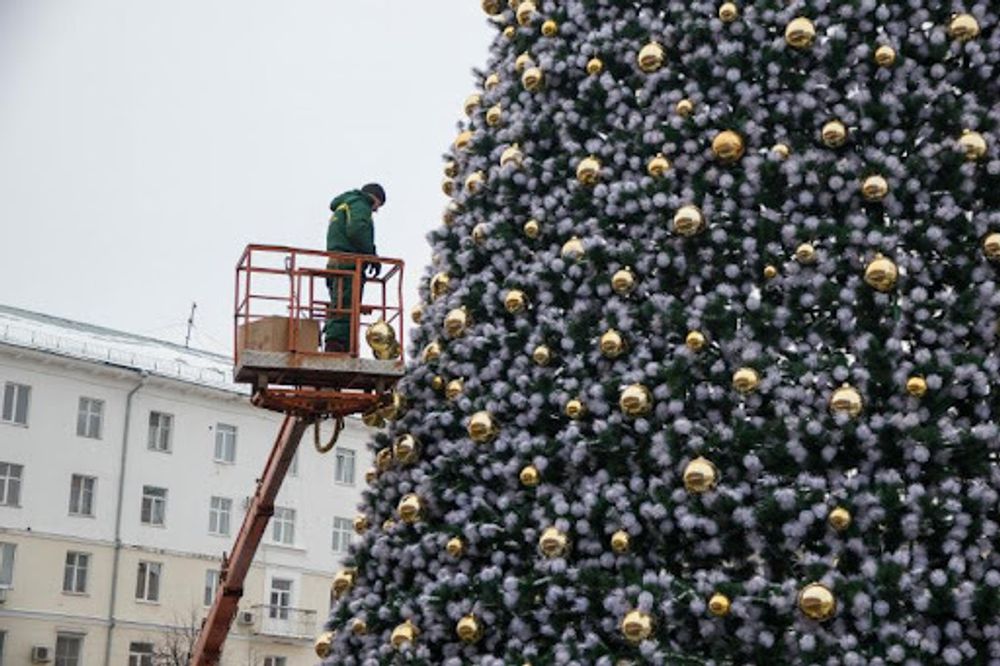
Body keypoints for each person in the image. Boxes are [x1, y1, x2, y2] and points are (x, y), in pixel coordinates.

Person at [323, 183, 385, 352]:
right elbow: (358, 230)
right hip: (348, 262)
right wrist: (372, 256)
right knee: (346, 304)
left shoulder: (345, 203)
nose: (376, 210)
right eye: (378, 206)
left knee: (339, 304)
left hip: (334, 262)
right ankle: (337, 344)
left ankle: (337, 341)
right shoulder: (360, 204)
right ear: (374, 198)